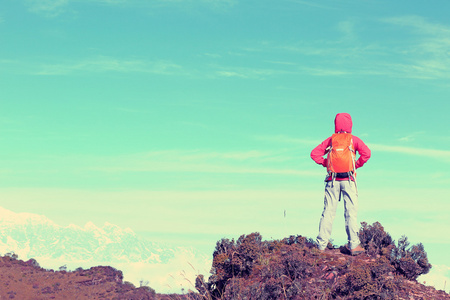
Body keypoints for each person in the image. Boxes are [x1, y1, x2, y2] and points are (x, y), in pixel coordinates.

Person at [310, 113, 371, 255]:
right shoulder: (353, 140)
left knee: (328, 212)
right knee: (350, 213)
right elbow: (367, 153)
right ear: (350, 125)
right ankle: (354, 245)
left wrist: (327, 163)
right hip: (349, 180)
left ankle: (320, 245)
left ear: (336, 124)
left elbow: (314, 154)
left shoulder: (331, 140)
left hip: (332, 180)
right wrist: (356, 165)